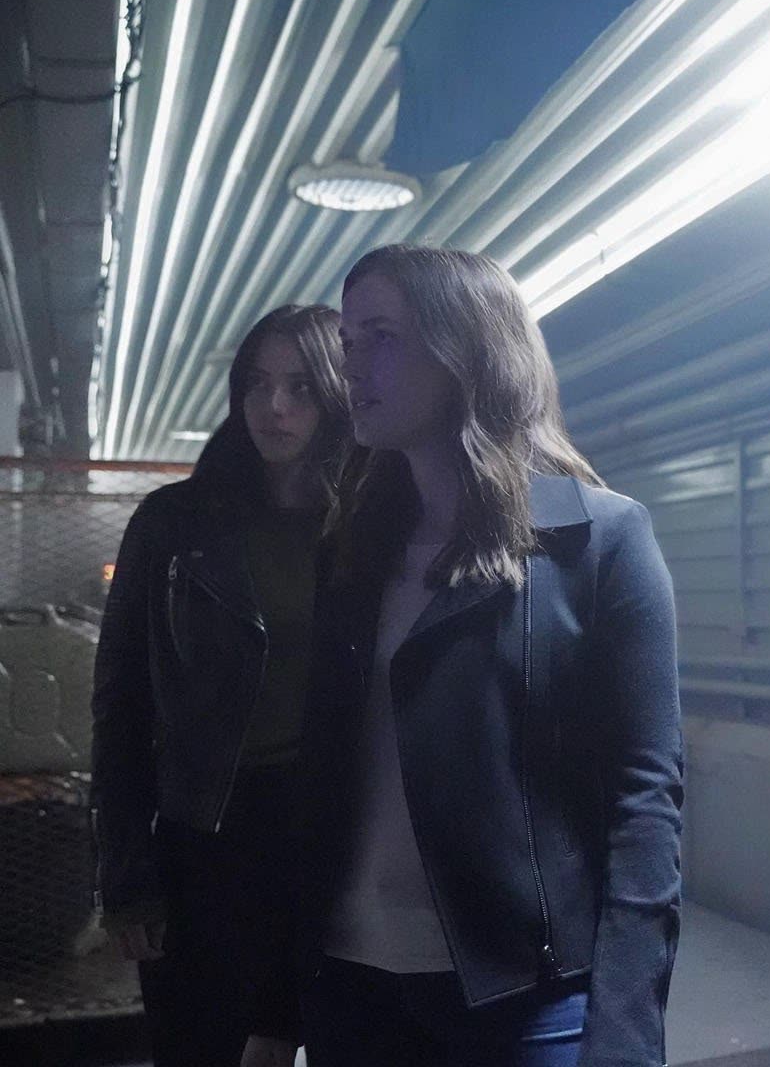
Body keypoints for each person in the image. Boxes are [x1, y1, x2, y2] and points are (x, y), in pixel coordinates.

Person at [300, 244, 682, 1066]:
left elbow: (645, 797)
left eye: (382, 337)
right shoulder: (353, 550)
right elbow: (316, 775)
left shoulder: (597, 538)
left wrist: (626, 1028)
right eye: (348, 342)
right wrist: (276, 993)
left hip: (524, 992)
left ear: (465, 348)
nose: (352, 366)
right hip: (350, 981)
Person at [92, 304, 350, 1066]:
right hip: (204, 831)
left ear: (338, 395)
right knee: (198, 1044)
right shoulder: (174, 523)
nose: (274, 406)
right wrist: (126, 875)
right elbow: (122, 702)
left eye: (301, 387)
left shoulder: (367, 526)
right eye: (258, 384)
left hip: (328, 829)